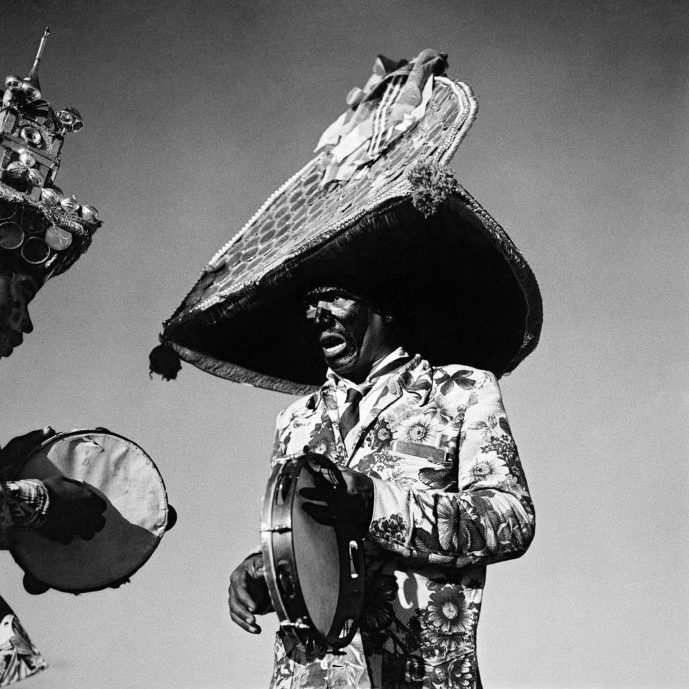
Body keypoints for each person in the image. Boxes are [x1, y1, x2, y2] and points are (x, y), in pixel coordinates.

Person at [152, 50, 543, 688]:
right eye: (308, 304)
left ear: (382, 301)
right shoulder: (296, 422)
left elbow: (509, 519)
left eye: (331, 297)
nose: (316, 315)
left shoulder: (462, 393)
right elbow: (313, 554)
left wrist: (376, 503)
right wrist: (265, 570)